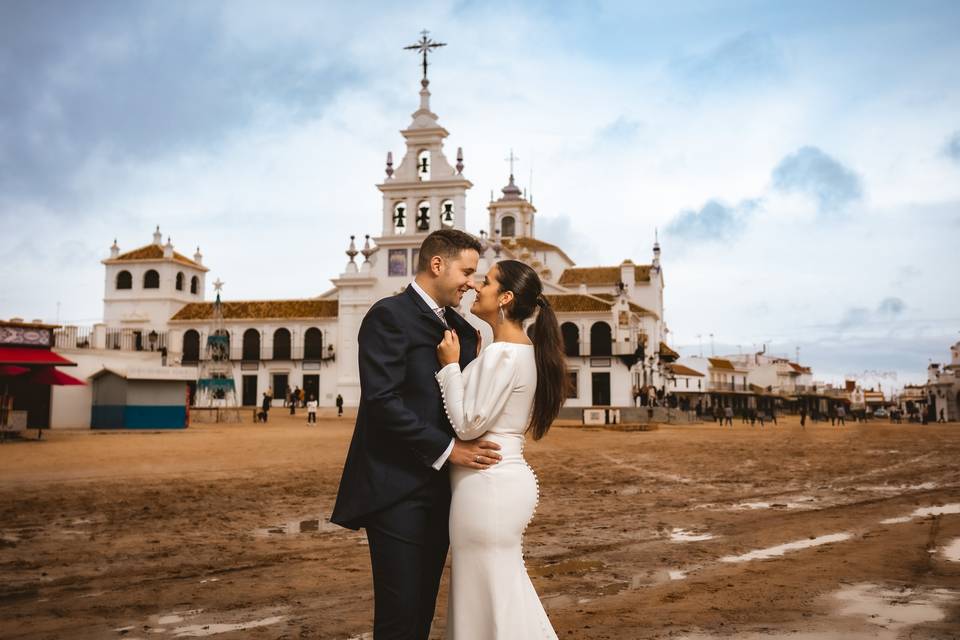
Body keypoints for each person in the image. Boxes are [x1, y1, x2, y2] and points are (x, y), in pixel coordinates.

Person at [331, 230, 499, 639]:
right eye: (467, 271)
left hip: (444, 492)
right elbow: (382, 400)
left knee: (423, 608)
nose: (472, 283)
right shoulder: (388, 315)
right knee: (399, 616)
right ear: (437, 265)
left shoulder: (463, 327)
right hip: (396, 490)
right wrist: (448, 450)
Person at [435, 259, 565, 638]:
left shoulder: (502, 354)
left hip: (487, 485)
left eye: (487, 282)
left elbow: (468, 423)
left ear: (505, 298)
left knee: (485, 593)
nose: (476, 286)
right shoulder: (520, 351)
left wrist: (450, 367)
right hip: (497, 480)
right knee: (498, 590)